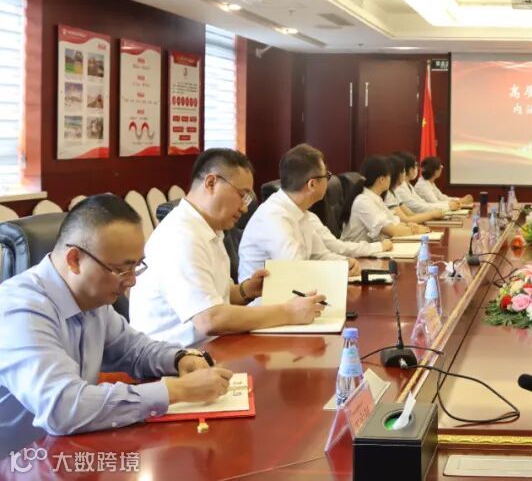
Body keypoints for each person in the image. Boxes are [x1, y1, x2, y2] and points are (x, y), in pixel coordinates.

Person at [0, 194, 234, 455]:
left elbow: (135, 350)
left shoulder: (92, 300)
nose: (132, 281)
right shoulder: (20, 309)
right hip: (19, 463)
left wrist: (180, 359)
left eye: (136, 266)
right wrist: (176, 390)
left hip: (72, 450)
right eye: (123, 270)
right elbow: (63, 407)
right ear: (74, 260)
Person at [130, 149, 327, 346]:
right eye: (242, 195)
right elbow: (209, 319)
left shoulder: (208, 229)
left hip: (211, 347)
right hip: (173, 357)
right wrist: (288, 312)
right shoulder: (181, 237)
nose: (244, 207)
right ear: (211, 183)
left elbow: (215, 296)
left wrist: (246, 290)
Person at [238, 143, 363, 281]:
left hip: (292, 289)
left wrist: (345, 263)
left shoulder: (301, 213)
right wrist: (338, 270)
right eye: (326, 176)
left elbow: (319, 255)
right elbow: (297, 269)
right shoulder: (273, 216)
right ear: (312, 184)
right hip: (264, 293)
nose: (328, 181)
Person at [343, 155, 426, 242]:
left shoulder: (376, 198)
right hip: (359, 250)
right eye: (390, 176)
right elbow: (391, 231)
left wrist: (408, 225)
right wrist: (414, 230)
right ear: (382, 179)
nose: (391, 179)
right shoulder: (364, 201)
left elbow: (392, 221)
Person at [385, 155, 442, 225]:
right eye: (403, 171)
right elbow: (406, 219)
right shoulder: (391, 193)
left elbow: (410, 214)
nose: (404, 174)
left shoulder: (393, 192)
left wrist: (432, 215)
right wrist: (432, 215)